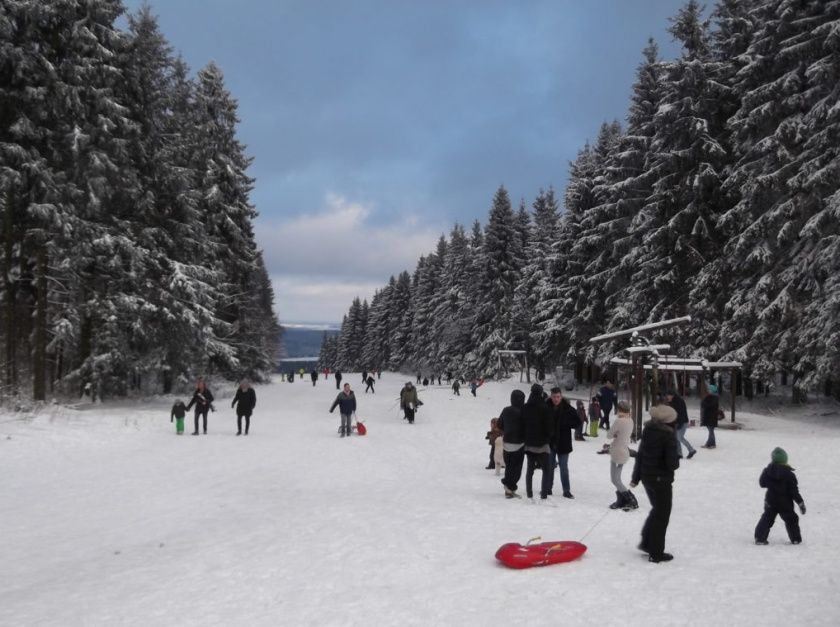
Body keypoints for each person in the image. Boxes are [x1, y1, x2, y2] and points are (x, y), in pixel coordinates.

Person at [630, 404, 680, 563]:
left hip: (647, 478)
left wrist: (636, 477)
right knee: (662, 515)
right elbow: (673, 464)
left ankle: (646, 543)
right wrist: (676, 454)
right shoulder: (668, 436)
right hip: (661, 481)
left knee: (656, 510)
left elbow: (640, 455)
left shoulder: (648, 431)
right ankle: (656, 552)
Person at [755, 447, 806, 545]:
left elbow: (762, 484)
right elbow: (794, 491)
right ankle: (795, 539)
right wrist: (800, 502)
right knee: (791, 519)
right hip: (785, 503)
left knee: (767, 518)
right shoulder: (789, 475)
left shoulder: (767, 471)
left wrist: (766, 473)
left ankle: (760, 538)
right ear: (785, 460)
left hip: (770, 501)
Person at [523, 384, 555, 503]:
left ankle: (529, 494)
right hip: (542, 445)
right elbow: (549, 427)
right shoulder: (545, 407)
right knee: (546, 470)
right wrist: (548, 437)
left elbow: (523, 424)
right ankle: (544, 495)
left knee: (530, 470)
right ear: (541, 393)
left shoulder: (526, 407)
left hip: (529, 444)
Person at [547, 387, 580, 499]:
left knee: (564, 467)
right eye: (554, 397)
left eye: (558, 397)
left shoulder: (568, 409)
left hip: (563, 443)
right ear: (550, 397)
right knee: (549, 467)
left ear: (561, 397)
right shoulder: (546, 407)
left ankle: (566, 490)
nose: (556, 399)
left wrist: (566, 423)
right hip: (550, 443)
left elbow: (577, 422)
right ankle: (548, 488)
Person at [607, 400, 638, 510]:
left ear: (619, 409)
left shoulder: (619, 421)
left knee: (615, 480)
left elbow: (609, 435)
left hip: (616, 452)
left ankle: (630, 499)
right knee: (616, 479)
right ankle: (622, 499)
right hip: (624, 452)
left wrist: (615, 434)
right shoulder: (630, 420)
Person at [497, 389, 526, 499]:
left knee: (509, 466)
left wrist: (507, 430)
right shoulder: (524, 411)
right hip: (519, 444)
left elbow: (500, 425)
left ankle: (508, 487)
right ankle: (509, 487)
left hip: (507, 442)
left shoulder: (506, 410)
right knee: (516, 468)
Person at [666, 390, 696, 459]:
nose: (667, 397)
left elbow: (682, 413)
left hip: (682, 422)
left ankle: (691, 450)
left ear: (672, 395)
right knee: (676, 438)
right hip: (677, 422)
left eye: (668, 395)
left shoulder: (679, 401)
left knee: (680, 437)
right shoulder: (672, 401)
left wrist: (680, 423)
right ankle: (679, 453)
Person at [700, 384, 720, 449]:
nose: (708, 391)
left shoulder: (714, 397)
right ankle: (709, 443)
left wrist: (704, 402)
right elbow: (704, 404)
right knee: (710, 431)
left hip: (711, 417)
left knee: (711, 431)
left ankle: (712, 444)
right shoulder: (711, 397)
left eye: (709, 389)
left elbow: (708, 405)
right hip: (709, 417)